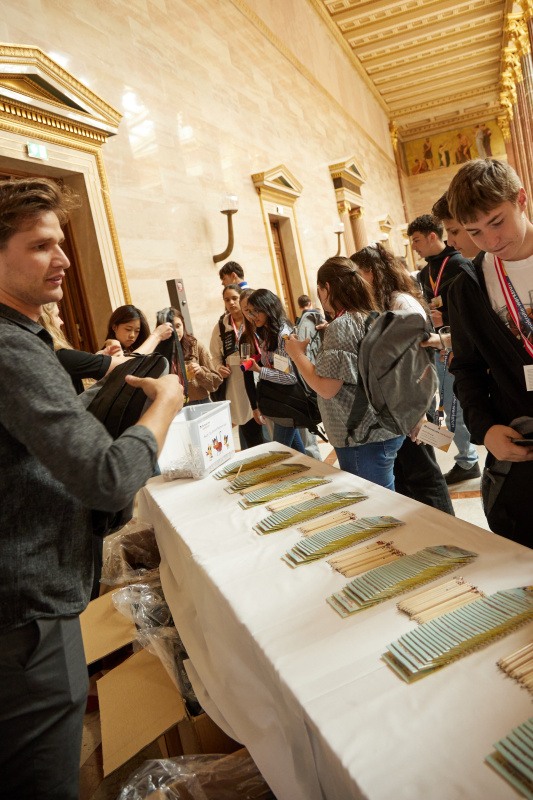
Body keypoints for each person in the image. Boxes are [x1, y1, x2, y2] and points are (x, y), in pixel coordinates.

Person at [0, 176, 183, 799]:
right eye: (41, 246)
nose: (64, 260)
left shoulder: (24, 341)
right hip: (25, 609)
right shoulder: (12, 349)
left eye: (63, 243)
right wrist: (162, 409)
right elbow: (107, 479)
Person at [446, 158, 533, 545]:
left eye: (497, 221)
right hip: (522, 444)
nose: (492, 241)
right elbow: (465, 368)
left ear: (521, 199)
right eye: (475, 232)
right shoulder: (469, 284)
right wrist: (485, 430)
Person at [351, 243, 454, 514]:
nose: (355, 280)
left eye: (358, 273)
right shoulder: (381, 303)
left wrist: (418, 413)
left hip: (414, 400)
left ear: (373, 272)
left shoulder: (401, 302)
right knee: (406, 473)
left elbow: (416, 360)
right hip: (398, 400)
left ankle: (448, 532)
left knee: (424, 475)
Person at [285, 257, 405, 489]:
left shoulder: (343, 325)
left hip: (362, 436)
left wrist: (297, 354)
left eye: (319, 289)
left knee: (376, 509)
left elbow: (327, 388)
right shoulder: (371, 315)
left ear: (326, 288)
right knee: (385, 500)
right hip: (381, 429)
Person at [407, 214, 480, 484]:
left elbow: (471, 310)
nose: (413, 246)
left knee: (454, 408)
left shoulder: (459, 263)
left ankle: (468, 460)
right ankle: (466, 457)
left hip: (457, 347)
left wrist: (446, 320)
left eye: (416, 240)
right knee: (444, 408)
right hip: (438, 349)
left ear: (432, 236)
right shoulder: (425, 272)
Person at [246, 288, 306, 454]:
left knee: (279, 452)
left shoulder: (283, 335)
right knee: (296, 451)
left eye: (256, 311)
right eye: (250, 312)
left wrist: (259, 370)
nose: (252, 316)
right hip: (280, 400)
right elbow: (275, 364)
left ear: (268, 308)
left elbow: (289, 377)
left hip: (287, 401)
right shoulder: (267, 332)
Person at [210, 283, 263, 449]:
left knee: (261, 420)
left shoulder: (254, 320)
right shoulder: (221, 326)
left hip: (256, 375)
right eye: (227, 300)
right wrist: (219, 367)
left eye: (234, 298)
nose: (231, 303)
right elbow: (215, 355)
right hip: (234, 381)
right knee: (245, 422)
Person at [39, 302, 129, 394]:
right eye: (57, 315)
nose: (62, 322)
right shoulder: (60, 356)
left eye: (137, 330)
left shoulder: (42, 355)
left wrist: (99, 360)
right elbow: (132, 364)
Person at [157, 307, 221, 406]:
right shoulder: (157, 353)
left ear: (183, 326)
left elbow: (215, 382)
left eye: (178, 326)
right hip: (173, 406)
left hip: (200, 402)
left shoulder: (195, 346)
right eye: (170, 327)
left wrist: (201, 372)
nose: (175, 331)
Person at [104, 304, 173, 354]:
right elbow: (130, 363)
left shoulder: (132, 349)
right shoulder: (106, 353)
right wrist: (156, 335)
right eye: (128, 329)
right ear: (114, 327)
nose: (132, 335)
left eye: (137, 331)